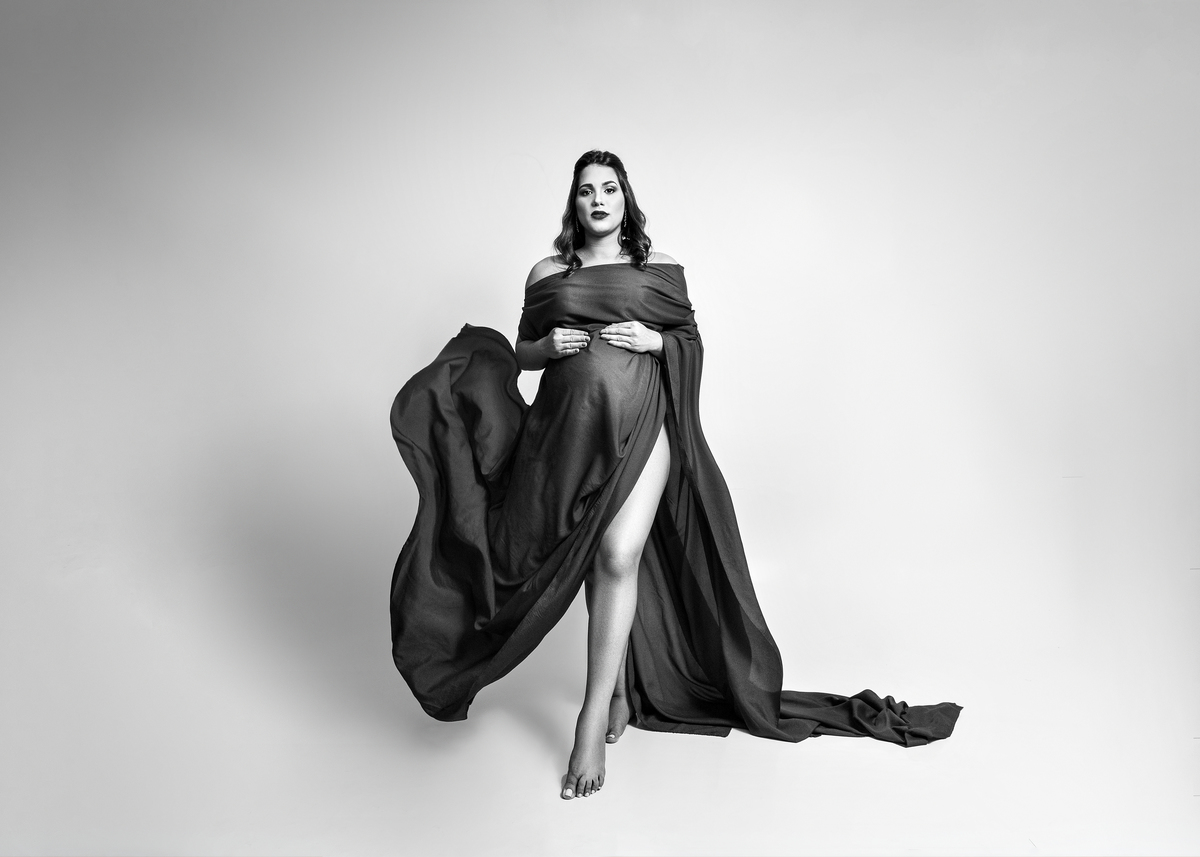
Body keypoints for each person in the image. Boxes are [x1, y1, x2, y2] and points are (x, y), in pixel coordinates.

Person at [389, 150, 961, 802]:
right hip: (565, 436)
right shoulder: (548, 272)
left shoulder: (658, 269)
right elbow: (522, 351)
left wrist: (656, 342)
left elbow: (689, 340)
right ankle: (621, 691)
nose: (598, 199)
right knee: (584, 554)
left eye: (609, 188)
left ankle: (589, 719)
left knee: (617, 553)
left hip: (643, 424)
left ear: (625, 199)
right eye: (586, 190)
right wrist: (545, 349)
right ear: (573, 202)